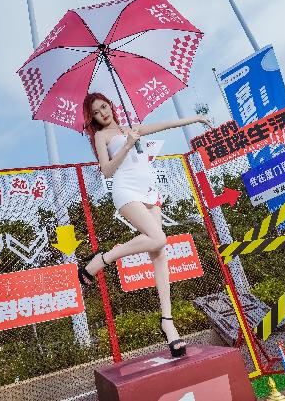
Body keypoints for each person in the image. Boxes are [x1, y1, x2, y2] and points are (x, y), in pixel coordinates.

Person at [78, 92, 211, 358]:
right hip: (126, 190)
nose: (103, 113)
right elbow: (107, 170)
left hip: (149, 189)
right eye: (96, 113)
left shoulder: (133, 127)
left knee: (159, 253)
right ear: (93, 118)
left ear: (111, 105)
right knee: (159, 238)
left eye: (104, 107)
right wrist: (127, 145)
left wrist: (195, 118)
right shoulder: (101, 136)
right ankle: (104, 258)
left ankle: (168, 322)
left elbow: (165, 124)